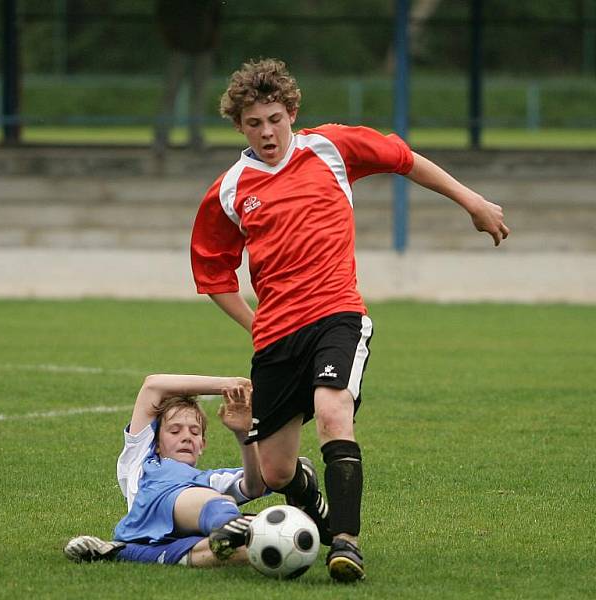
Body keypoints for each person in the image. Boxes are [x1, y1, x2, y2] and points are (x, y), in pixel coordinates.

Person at [189, 58, 511, 583]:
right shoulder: (229, 190)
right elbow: (213, 274)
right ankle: (315, 509)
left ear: (292, 112)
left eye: (275, 118)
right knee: (275, 471)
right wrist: (256, 323)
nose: (267, 132)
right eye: (254, 123)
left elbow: (404, 158)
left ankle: (346, 543)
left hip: (337, 313)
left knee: (334, 409)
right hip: (276, 336)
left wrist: (471, 201)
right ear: (239, 127)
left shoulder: (331, 147)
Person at [64, 374, 268, 567]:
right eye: (175, 430)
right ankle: (231, 523)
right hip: (160, 501)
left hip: (172, 536)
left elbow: (254, 486)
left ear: (202, 445)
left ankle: (123, 552)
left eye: (194, 432)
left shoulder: (207, 479)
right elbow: (153, 385)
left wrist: (243, 433)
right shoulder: (141, 458)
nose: (187, 436)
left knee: (253, 547)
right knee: (223, 507)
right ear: (156, 443)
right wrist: (229, 384)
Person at [152, 0, 221, 156]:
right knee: (172, 95)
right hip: (180, 47)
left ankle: (194, 138)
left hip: (201, 48)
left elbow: (215, 16)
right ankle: (162, 138)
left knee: (196, 96)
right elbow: (163, 14)